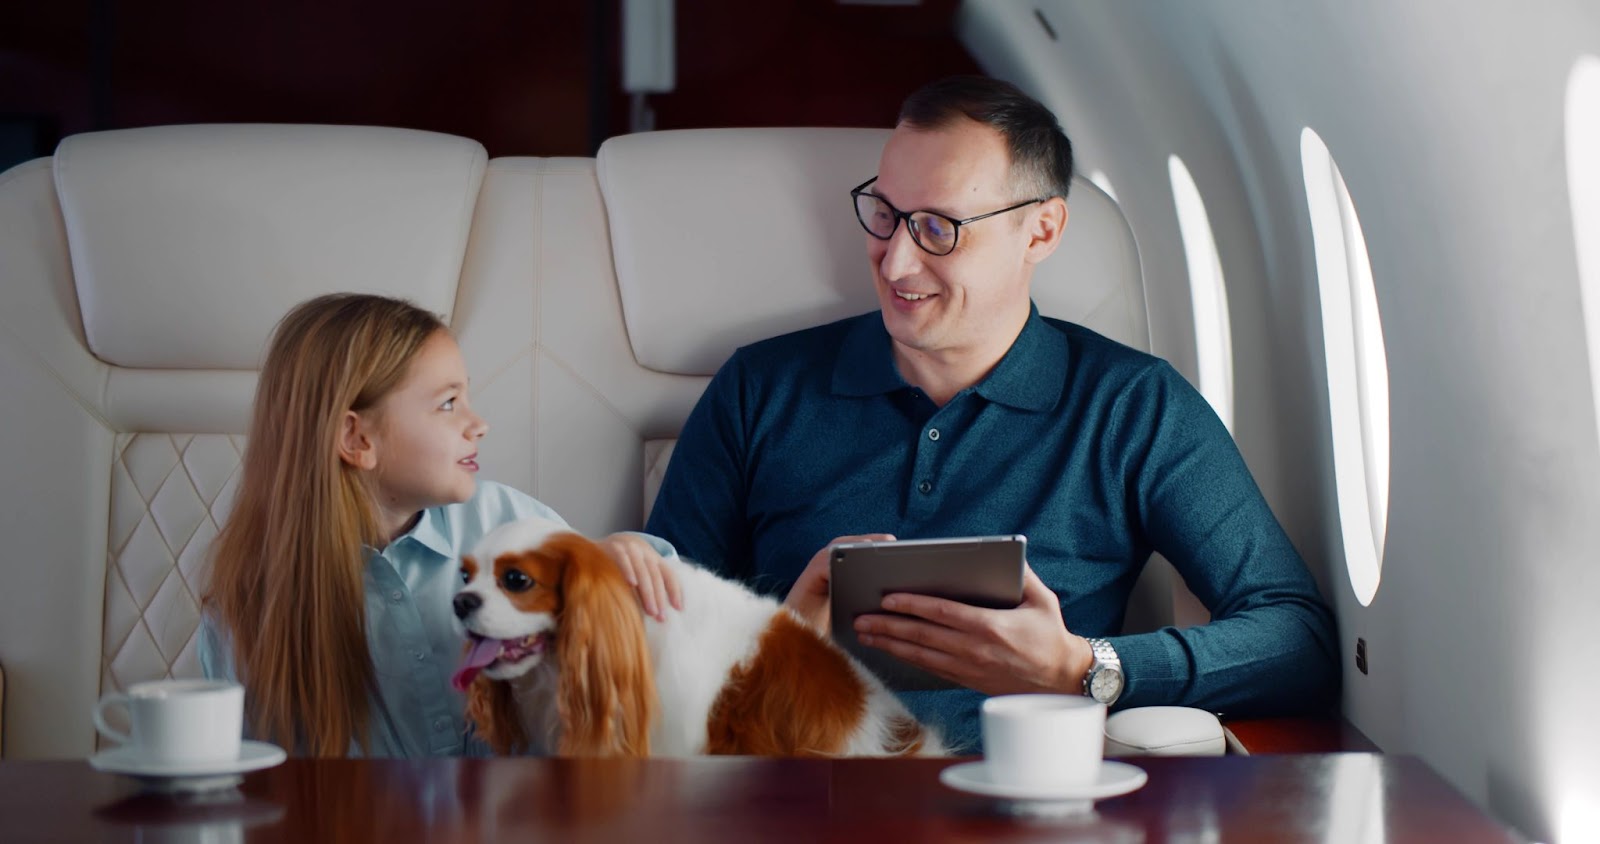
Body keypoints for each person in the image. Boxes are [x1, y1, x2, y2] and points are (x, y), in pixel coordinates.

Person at [645, 76, 1340, 751]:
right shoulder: (758, 389)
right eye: (886, 214)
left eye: (938, 228)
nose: (895, 263)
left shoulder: (1134, 407)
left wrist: (1080, 666)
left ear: (1040, 232)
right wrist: (785, 641)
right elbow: (648, 642)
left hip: (1023, 793)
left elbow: (1297, 638)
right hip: (792, 784)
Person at [201, 293, 681, 757]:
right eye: (449, 403)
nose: (479, 424)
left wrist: (618, 561)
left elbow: (649, 631)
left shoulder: (507, 520)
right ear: (356, 438)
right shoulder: (248, 605)